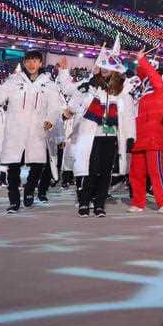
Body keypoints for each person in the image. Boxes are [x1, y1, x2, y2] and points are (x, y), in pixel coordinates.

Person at [0, 50, 63, 214]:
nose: (32, 64)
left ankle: (29, 190)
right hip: (15, 131)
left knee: (38, 165)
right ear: (24, 63)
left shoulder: (48, 84)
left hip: (37, 131)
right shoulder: (13, 81)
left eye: (35, 61)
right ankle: (13, 201)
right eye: (28, 61)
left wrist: (50, 120)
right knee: (13, 167)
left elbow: (55, 107)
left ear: (40, 63)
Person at [63, 48, 134, 217]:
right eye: (102, 65)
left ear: (115, 69)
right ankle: (84, 202)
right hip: (91, 136)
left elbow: (128, 116)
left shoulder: (122, 91)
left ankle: (99, 204)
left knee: (105, 172)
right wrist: (81, 94)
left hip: (111, 137)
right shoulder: (91, 86)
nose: (104, 68)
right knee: (90, 170)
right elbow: (74, 103)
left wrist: (131, 137)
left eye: (108, 65)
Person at [127, 52, 163, 213]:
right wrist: (139, 63)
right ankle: (138, 202)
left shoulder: (162, 89)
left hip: (154, 136)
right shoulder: (143, 94)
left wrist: (143, 60)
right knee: (136, 172)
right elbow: (143, 73)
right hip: (140, 136)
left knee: (156, 171)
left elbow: (152, 76)